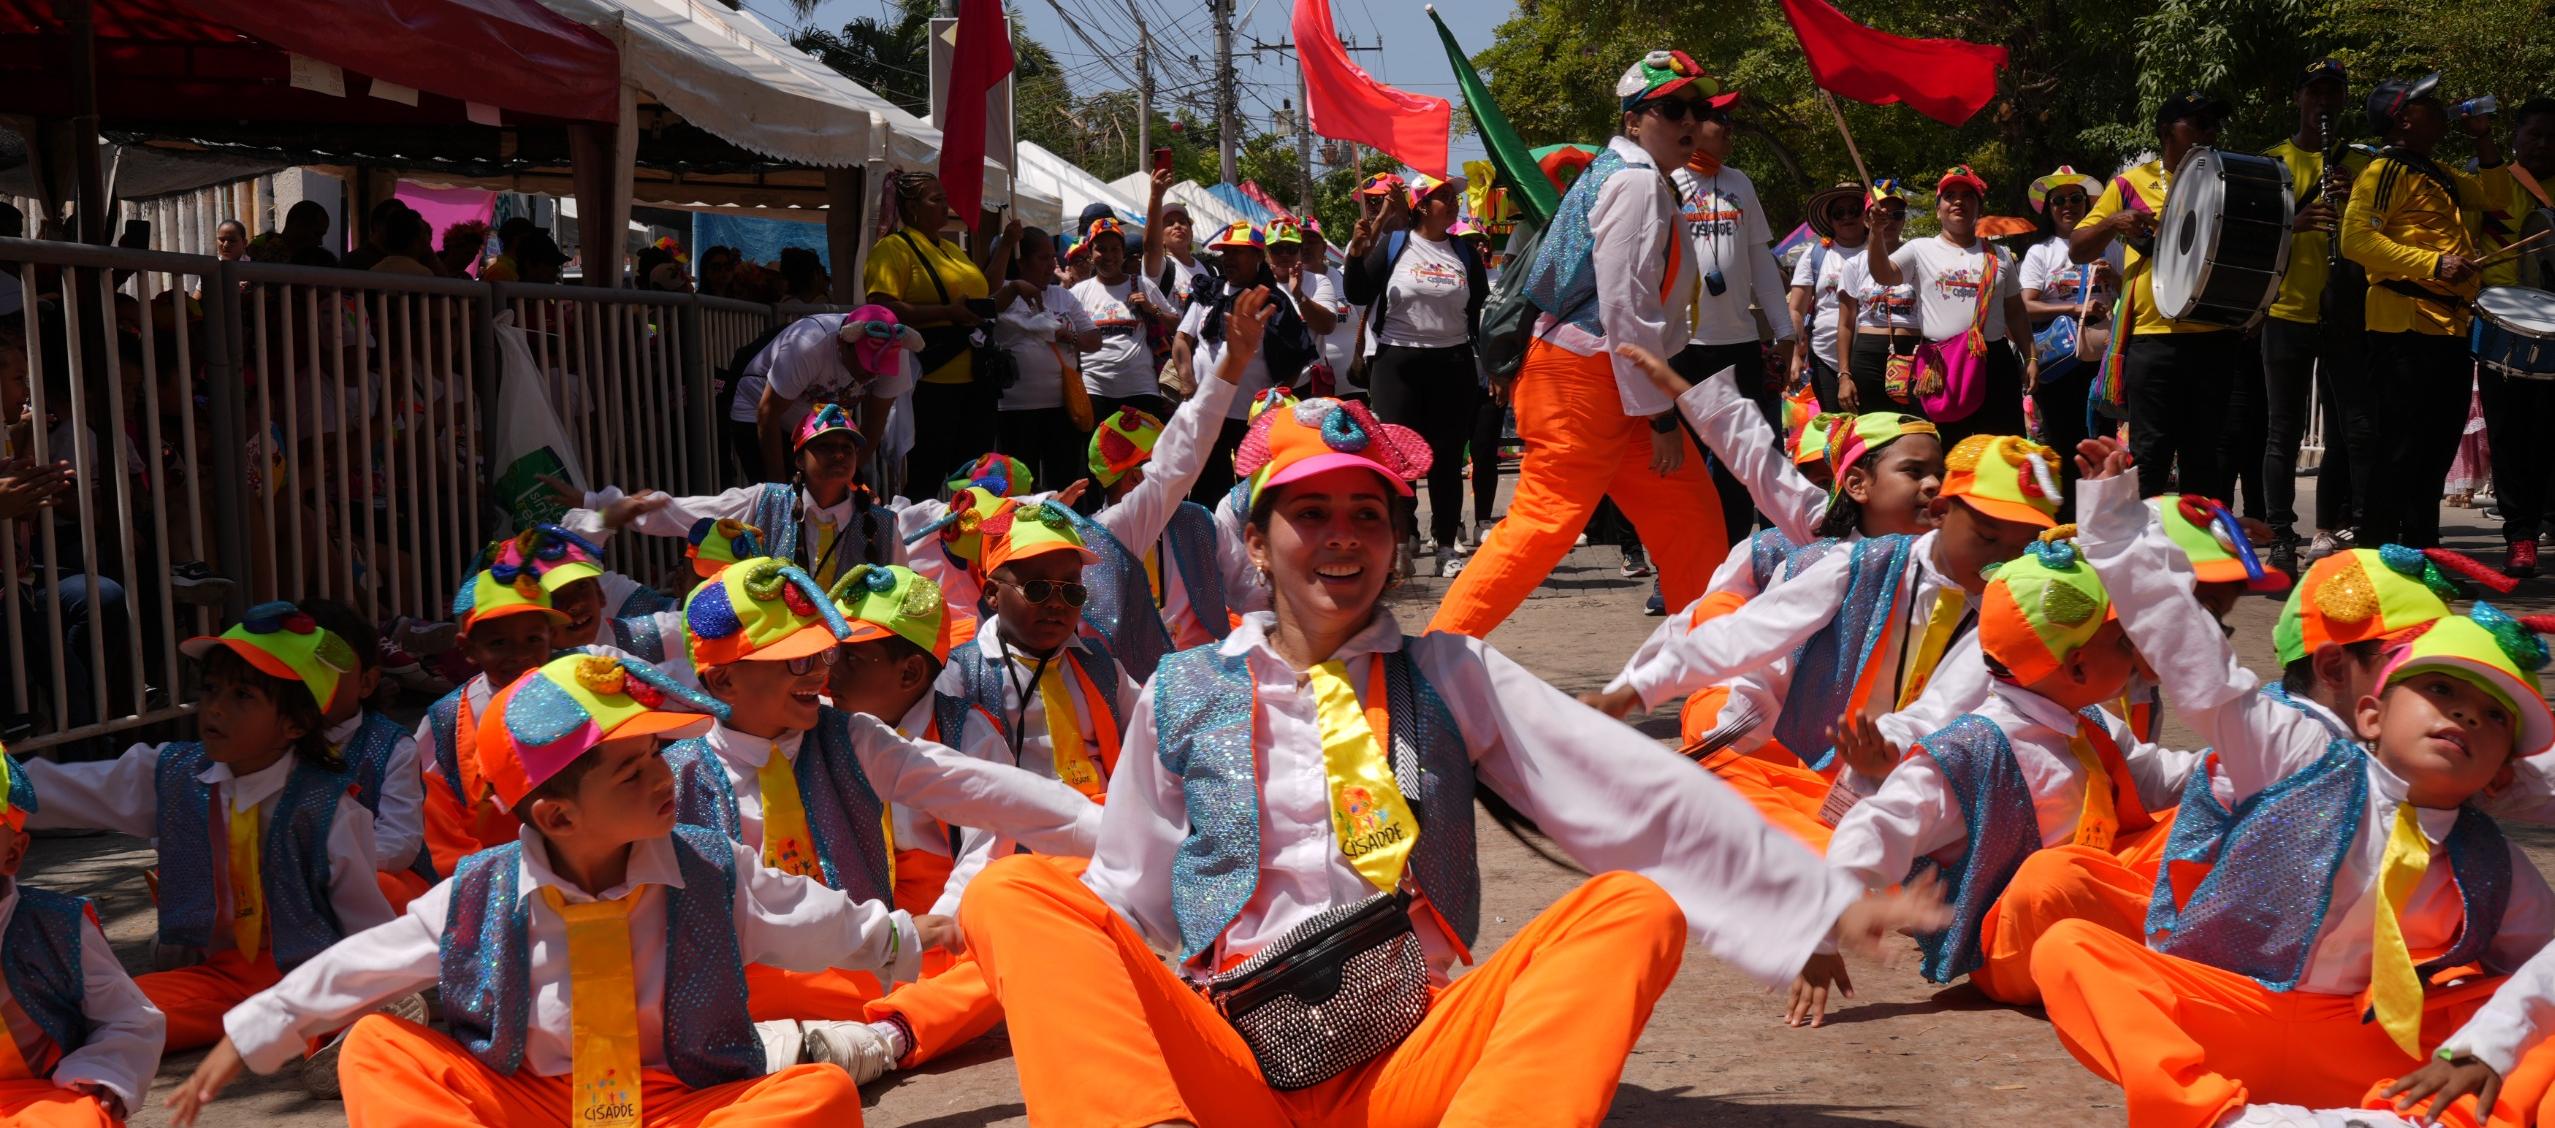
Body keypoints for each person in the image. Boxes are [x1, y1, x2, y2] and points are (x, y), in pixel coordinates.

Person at [952, 388, 1948, 1124]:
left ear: (1392, 539)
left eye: (1366, 516)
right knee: (1019, 895)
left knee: (1630, 906)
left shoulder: (1448, 672)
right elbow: (1131, 891)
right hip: (1235, 1057)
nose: (1341, 539)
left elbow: (1634, 793)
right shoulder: (1183, 686)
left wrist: (1817, 899)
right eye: (1310, 514)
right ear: (1254, 543)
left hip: (1412, 1049)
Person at [2036, 438, 2555, 1126]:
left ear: (2502, 771)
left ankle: (2406, 1119)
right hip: (2236, 1017)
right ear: (2369, 709)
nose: (2464, 713)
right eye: (2436, 688)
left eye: (2493, 717)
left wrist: (2490, 1040)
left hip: (2375, 1049)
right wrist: (2114, 529)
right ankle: (2215, 1117)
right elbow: (2198, 668)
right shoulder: (2302, 753)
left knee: (2535, 1037)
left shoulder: (2494, 863)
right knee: (2072, 950)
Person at [161, 653, 902, 1128]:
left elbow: (812, 916)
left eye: (656, 755)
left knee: (819, 1097)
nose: (660, 777)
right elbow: (361, 965)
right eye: (632, 770)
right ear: (557, 814)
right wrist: (246, 1035)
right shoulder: (479, 892)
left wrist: (904, 940)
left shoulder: (709, 865)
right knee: (379, 1047)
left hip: (677, 1101)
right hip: (528, 1102)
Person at [658, 557, 1098, 1083]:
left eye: (822, 653)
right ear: (723, 681)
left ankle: (881, 1038)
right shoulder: (673, 779)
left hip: (869, 974)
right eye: (796, 662)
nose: (821, 673)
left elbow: (989, 794)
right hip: (745, 992)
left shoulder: (852, 738)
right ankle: (797, 1048)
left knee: (1020, 929)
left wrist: (1125, 838)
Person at [1790, 535, 2190, 1024]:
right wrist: (1823, 932)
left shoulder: (2090, 724)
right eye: (2123, 642)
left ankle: (2171, 937)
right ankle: (2178, 941)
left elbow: (2162, 778)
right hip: (2019, 941)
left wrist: (2245, 766)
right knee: (2049, 880)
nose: (2134, 653)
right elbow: (1875, 823)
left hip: (2102, 894)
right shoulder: (1970, 752)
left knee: (2204, 809)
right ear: (2078, 666)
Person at [1429, 51, 1734, 639]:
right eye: (1672, 108)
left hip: (1610, 382)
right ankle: (1428, 668)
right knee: (1543, 524)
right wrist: (1664, 414)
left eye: (1697, 109)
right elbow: (1627, 307)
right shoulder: (1638, 182)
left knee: (1694, 527)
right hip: (1591, 380)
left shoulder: (1628, 175)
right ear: (1632, 120)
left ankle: (1715, 682)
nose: (1689, 121)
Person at [20, 605, 396, 1070]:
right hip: (213, 977)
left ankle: (354, 1031)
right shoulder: (174, 774)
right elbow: (65, 789)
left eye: (243, 695)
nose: (215, 707)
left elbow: (367, 926)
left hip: (305, 975)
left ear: (294, 725)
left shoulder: (329, 809)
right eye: (211, 689)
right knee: (114, 1016)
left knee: (342, 1005)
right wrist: (6, 789)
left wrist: (377, 990)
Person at [2343, 74, 2510, 550]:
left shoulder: (2440, 173)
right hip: (2404, 327)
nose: (2438, 108)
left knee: (2434, 452)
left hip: (2449, 328)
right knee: (2398, 451)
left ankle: (2422, 554)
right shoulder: (2382, 172)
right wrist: (2435, 262)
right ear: (2402, 119)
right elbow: (2355, 241)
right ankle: (2376, 555)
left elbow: (2497, 198)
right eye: (2425, 103)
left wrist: (2483, 137)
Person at [2073, 91, 2244, 500]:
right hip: (2154, 339)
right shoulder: (2129, 184)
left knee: (2206, 460)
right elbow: (2078, 248)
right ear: (2168, 131)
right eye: (2199, 123)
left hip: (2215, 333)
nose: (2210, 131)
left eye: (2213, 123)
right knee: (2149, 456)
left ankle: (2204, 555)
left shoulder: (2229, 180)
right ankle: (2145, 553)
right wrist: (2113, 221)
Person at [932, 499, 1140, 806]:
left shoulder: (1103, 667)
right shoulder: (959, 674)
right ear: (992, 594)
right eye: (1037, 588)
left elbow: (1148, 737)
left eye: (1071, 590)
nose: (1056, 603)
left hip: (1106, 825)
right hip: (1017, 834)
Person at [0, 747, 165, 1127]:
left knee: (83, 1115)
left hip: (38, 1102)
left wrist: (102, 1073)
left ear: (12, 853)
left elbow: (130, 1020)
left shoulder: (54, 925)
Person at [584, 403, 902, 592]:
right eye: (825, 447)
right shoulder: (765, 500)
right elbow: (682, 513)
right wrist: (598, 506)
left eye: (847, 448)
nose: (838, 455)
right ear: (799, 460)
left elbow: (901, 590)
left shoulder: (883, 524)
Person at [1669, 91, 1800, 542]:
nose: (1728, 127)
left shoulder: (1740, 183)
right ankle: (1677, 576)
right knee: (1682, 468)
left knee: (1738, 467)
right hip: (1680, 348)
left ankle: (1731, 567)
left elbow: (1761, 261)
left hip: (1739, 345)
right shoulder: (1663, 181)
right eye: (1718, 117)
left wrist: (1785, 333)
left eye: (1730, 120)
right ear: (1690, 125)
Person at [1347, 172, 1486, 577]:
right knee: (1397, 458)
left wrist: (1490, 364)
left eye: (1453, 196)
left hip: (1453, 364)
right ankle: (1400, 539)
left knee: (1446, 460)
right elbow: (1357, 293)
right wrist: (1356, 254)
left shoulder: (1463, 252)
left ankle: (1445, 547)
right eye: (1444, 196)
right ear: (1421, 205)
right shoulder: (1394, 245)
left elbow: (1477, 311)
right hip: (1397, 364)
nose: (1454, 202)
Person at [416, 548, 576, 879]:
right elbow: (432, 807)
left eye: (533, 639)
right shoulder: (447, 719)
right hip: (495, 873)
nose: (519, 654)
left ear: (553, 638)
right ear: (468, 649)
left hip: (580, 858)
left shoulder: (580, 690)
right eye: (499, 643)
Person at [1864, 165, 2035, 446]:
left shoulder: (2000, 255)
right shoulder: (1919, 249)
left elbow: (2015, 311)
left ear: (1978, 207)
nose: (1958, 201)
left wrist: (2031, 357)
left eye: (1968, 195)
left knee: (1999, 451)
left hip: (1994, 363)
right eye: (1949, 195)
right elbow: (1883, 274)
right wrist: (1875, 234)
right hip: (1939, 364)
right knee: (1943, 451)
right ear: (1938, 209)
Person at [298, 600, 435, 914]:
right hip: (292, 879)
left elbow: (400, 841)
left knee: (381, 888)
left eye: (324, 669)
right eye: (296, 670)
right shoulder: (273, 737)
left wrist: (329, 862)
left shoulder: (393, 746)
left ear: (366, 682)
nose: (307, 684)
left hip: (378, 874)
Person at [866, 172, 998, 488]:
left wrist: (1006, 246)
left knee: (974, 477)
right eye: (935, 200)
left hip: (976, 377)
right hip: (929, 380)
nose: (945, 206)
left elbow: (987, 290)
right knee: (927, 473)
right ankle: (916, 536)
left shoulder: (951, 249)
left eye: (944, 198)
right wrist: (946, 313)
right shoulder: (892, 249)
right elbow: (881, 309)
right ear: (911, 207)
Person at [1173, 223, 1320, 503]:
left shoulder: (1274, 302)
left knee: (1254, 496)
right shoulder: (1208, 293)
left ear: (1257, 257)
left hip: (1251, 422)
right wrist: (1187, 380)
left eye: (1237, 252)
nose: (1229, 259)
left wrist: (1274, 401)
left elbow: (1297, 358)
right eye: (1225, 252)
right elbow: (1181, 340)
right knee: (1207, 493)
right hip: (1207, 415)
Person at [2475, 97, 2555, 577]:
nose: (2543, 146)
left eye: (2552, 138)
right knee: (2508, 435)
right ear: (2516, 138)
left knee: (2548, 434)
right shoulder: (2490, 182)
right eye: (2534, 136)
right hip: (2502, 323)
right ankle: (2519, 535)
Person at [2019, 165, 2120, 505]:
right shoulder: (2040, 252)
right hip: (2059, 361)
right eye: (2058, 200)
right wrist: (2075, 309)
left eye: (2075, 198)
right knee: (2064, 440)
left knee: (2102, 437)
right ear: (2048, 208)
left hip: (2103, 357)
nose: (2068, 205)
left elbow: (2132, 296)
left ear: (2087, 203)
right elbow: (2025, 306)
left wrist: (2115, 278)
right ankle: (2066, 521)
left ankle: (2101, 516)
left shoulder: (2112, 247)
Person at [748, 305, 924, 486]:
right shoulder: (809, 344)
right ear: (842, 344)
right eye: (866, 363)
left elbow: (875, 423)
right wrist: (776, 487)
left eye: (881, 367)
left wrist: (849, 476)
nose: (873, 374)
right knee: (781, 499)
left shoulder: (895, 349)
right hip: (760, 413)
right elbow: (767, 411)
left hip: (815, 429)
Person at [990, 226, 1100, 491]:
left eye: (1054, 257)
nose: (1053, 264)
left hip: (1063, 409)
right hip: (1014, 412)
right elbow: (987, 304)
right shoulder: (1005, 293)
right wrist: (1014, 285)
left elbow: (1094, 341)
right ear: (1021, 261)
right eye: (1043, 258)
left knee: (1063, 484)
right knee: (1018, 489)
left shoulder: (1063, 296)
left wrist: (1069, 336)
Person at [1071, 216, 1178, 424]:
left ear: (1123, 253)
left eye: (1115, 249)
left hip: (1141, 391)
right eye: (1101, 249)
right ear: (1090, 254)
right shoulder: (1078, 293)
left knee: (1144, 456)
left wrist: (1151, 308)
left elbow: (1176, 324)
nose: (1108, 255)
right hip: (1094, 392)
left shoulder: (1143, 285)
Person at [1835, 179, 1922, 414]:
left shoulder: (1918, 258)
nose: (1889, 221)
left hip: (1915, 353)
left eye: (1897, 214)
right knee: (1875, 434)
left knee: (1919, 431)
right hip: (1868, 356)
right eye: (1881, 214)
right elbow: (1845, 324)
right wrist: (1844, 376)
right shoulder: (1854, 265)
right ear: (1867, 220)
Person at [1789, 181, 1870, 411]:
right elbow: (1796, 310)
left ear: (1866, 213)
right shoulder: (1815, 255)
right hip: (1826, 357)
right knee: (1835, 430)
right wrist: (1795, 355)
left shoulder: (1882, 251)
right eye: (1839, 213)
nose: (1847, 217)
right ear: (1830, 219)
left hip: (1872, 357)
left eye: (1854, 210)